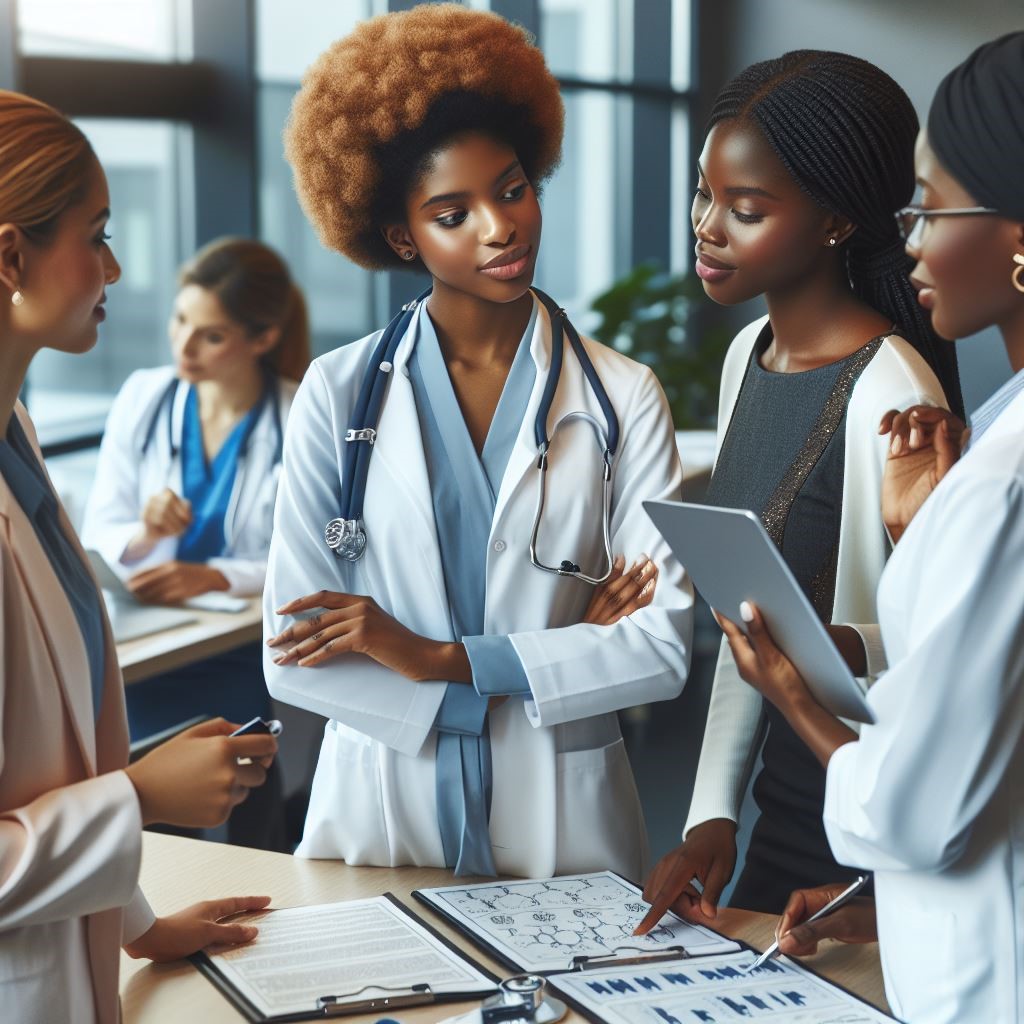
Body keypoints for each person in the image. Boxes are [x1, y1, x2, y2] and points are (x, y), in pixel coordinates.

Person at [263, 3, 690, 881]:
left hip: (564, 819)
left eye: (511, 189)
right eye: (452, 213)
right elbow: (295, 650)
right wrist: (540, 665)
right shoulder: (339, 394)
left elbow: (658, 648)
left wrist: (429, 660)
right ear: (400, 235)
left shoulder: (620, 396)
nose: (500, 228)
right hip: (384, 806)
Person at [715, 32, 1024, 1022]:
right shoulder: (978, 466)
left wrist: (794, 693)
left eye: (929, 207)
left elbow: (919, 809)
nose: (913, 239)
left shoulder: (992, 478)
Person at [637, 50, 962, 929]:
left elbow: (955, 651)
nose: (706, 227)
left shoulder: (894, 389)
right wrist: (711, 816)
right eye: (704, 196)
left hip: (875, 823)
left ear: (835, 223)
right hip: (785, 803)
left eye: (743, 210)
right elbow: (756, 622)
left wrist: (840, 646)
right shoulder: (748, 357)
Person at [0, 90, 277, 1024]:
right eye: (96, 232)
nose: (115, 264)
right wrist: (140, 796)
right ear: (10, 257)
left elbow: (44, 784)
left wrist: (142, 927)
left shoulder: (16, 439)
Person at [82, 238, 307, 850]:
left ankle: (256, 880)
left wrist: (214, 577)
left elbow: (312, 557)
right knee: (144, 801)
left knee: (243, 791)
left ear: (261, 339)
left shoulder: (301, 418)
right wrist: (147, 533)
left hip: (236, 650)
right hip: (151, 639)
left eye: (210, 335)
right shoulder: (144, 397)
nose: (183, 346)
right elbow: (99, 523)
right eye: (181, 320)